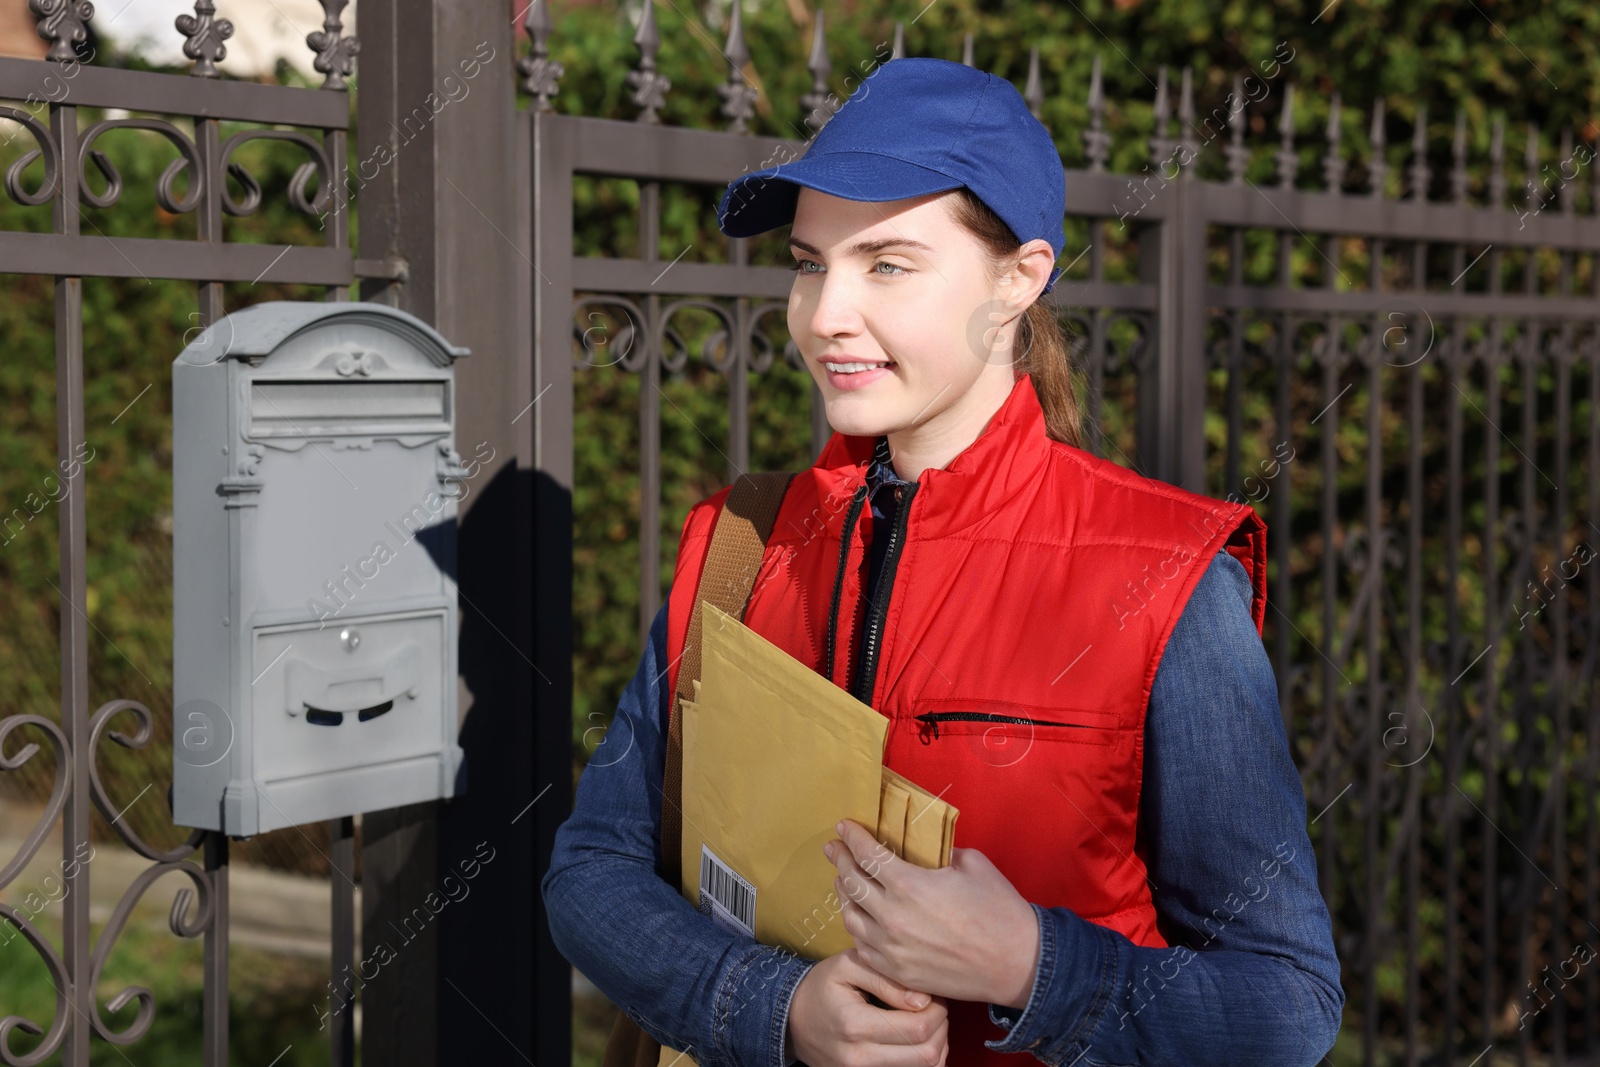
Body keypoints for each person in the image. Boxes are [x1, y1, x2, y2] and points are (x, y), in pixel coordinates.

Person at [542, 56, 1343, 1067]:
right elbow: (590, 869)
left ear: (1018, 279)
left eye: (885, 263)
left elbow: (1287, 1003)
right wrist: (774, 1006)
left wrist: (1033, 965)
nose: (824, 311)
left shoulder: (1165, 577)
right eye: (806, 260)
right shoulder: (740, 540)